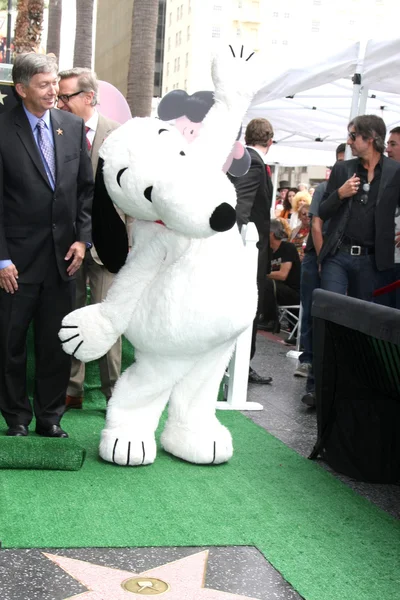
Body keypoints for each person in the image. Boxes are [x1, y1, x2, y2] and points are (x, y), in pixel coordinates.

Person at [0, 53, 93, 437]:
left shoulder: (71, 126)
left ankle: (50, 417)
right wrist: (1, 258)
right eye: (43, 84)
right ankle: (17, 418)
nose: (54, 90)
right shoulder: (2, 127)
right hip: (14, 263)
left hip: (63, 259)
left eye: (55, 83)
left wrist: (82, 240)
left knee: (57, 343)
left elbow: (86, 191)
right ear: (21, 89)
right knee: (10, 344)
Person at [57, 67, 132, 409]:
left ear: (87, 97)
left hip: (109, 244)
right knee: (72, 315)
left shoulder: (119, 135)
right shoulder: (57, 132)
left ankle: (113, 389)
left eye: (66, 96)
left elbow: (130, 192)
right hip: (68, 244)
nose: (60, 102)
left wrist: (130, 240)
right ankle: (72, 389)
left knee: (107, 317)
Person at [319, 115, 400, 302]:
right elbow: (323, 212)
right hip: (338, 254)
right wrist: (339, 193)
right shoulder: (342, 170)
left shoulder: (395, 171)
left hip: (372, 261)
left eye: (353, 136)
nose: (348, 142)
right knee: (331, 308)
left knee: (361, 319)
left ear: (370, 138)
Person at [295, 144, 345, 406]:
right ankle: (308, 364)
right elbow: (316, 224)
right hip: (319, 257)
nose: (341, 166)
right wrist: (324, 259)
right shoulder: (325, 190)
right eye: (338, 161)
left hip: (338, 259)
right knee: (314, 313)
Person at [230, 117, 274, 384]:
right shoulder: (254, 163)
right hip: (247, 250)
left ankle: (241, 364)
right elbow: (241, 206)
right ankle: (242, 366)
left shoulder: (242, 159)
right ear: (270, 140)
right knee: (249, 306)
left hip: (248, 246)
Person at [259, 219, 300, 333]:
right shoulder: (268, 251)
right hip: (277, 290)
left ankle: (271, 320)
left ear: (271, 233)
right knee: (262, 281)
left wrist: (262, 274)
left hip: (292, 292)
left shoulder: (287, 247)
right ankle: (259, 315)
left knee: (265, 281)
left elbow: (283, 275)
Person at [375, 126, 400, 308]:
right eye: (387, 144)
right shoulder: (384, 177)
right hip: (383, 261)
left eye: (393, 144)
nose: (387, 149)